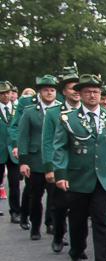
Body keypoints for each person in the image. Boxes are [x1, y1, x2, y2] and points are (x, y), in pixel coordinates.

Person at [52, 74, 106, 261]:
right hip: (79, 177)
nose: (93, 95)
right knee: (77, 219)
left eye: (96, 92)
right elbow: (59, 147)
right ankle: (77, 253)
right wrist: (60, 173)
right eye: (88, 92)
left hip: (105, 177)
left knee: (103, 220)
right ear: (80, 94)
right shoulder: (68, 118)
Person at [42, 68, 81, 253]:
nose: (76, 92)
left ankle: (78, 244)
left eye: (78, 88)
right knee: (60, 206)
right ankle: (58, 235)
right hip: (61, 166)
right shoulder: (53, 112)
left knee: (80, 209)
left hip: (83, 168)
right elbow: (48, 142)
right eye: (72, 88)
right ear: (64, 91)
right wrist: (51, 168)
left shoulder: (87, 110)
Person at [17, 75, 58, 240]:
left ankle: (51, 223)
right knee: (35, 196)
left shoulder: (61, 110)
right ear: (40, 92)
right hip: (35, 160)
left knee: (55, 196)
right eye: (46, 90)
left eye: (52, 90)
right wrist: (23, 162)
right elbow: (23, 137)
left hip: (55, 160)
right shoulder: (29, 112)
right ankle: (35, 226)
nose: (49, 93)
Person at [0, 81, 20, 221]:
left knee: (15, 183)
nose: (5, 96)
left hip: (13, 151)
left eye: (7, 93)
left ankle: (15, 211)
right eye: (2, 94)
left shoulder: (17, 108)